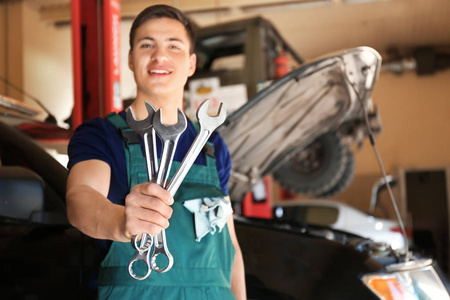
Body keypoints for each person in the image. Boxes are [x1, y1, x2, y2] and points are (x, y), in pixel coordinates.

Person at [66, 4, 246, 299]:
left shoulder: (212, 146)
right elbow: (80, 198)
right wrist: (120, 221)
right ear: (130, 59)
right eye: (146, 44)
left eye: (173, 46)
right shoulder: (102, 135)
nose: (160, 55)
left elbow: (231, 246)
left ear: (191, 64)